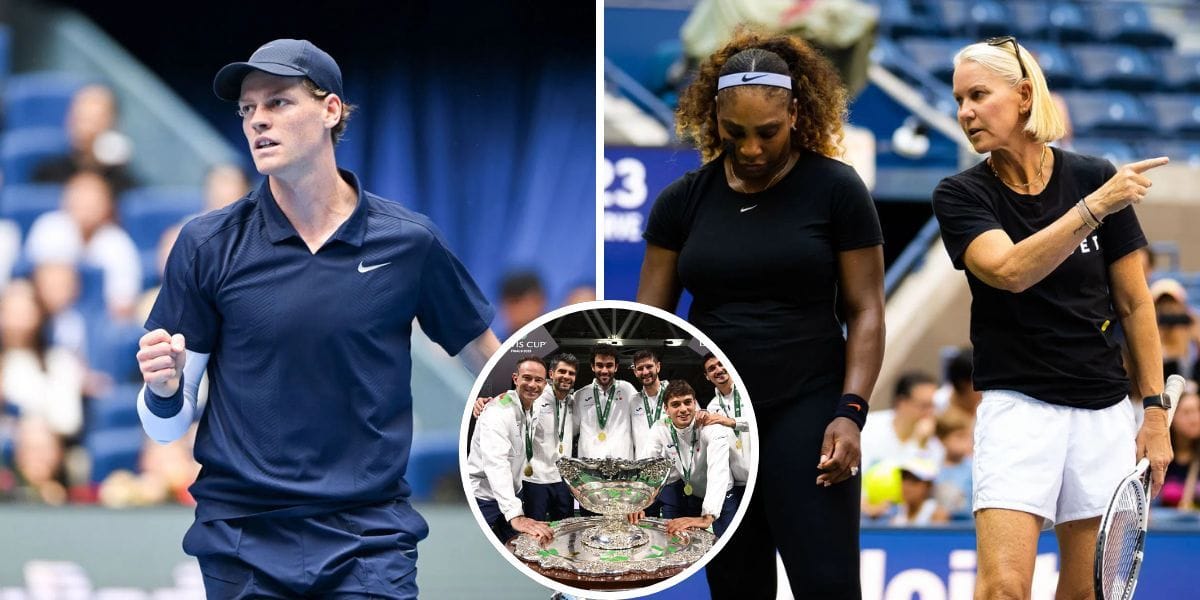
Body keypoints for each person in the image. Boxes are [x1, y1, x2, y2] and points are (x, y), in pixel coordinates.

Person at [134, 39, 498, 599]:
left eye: (277, 102)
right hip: (241, 538)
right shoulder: (205, 244)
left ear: (331, 111)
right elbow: (167, 423)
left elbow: (495, 368)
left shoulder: (409, 242)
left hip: (369, 539)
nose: (257, 121)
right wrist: (161, 390)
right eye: (246, 110)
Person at [636, 28, 885, 598]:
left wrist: (851, 412)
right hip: (714, 419)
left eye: (768, 133)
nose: (751, 149)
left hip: (811, 407)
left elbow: (867, 310)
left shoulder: (837, 190)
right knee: (737, 587)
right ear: (713, 118)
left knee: (827, 585)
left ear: (796, 113)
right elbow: (651, 328)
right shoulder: (682, 201)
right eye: (735, 133)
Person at [931, 37, 1172, 599]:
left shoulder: (1092, 175)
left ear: (1021, 96)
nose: (965, 111)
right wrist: (1094, 208)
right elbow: (1011, 270)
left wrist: (1155, 411)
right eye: (959, 99)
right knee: (1003, 590)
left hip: (1104, 410)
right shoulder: (961, 194)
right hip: (1019, 408)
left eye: (978, 95)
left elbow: (1136, 304)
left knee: (1086, 592)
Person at [467, 356, 556, 543]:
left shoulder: (536, 403)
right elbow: (496, 463)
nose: (532, 385)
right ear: (516, 379)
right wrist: (515, 515)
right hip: (484, 498)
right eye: (527, 378)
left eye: (538, 380)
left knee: (516, 547)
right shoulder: (496, 412)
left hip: (514, 493)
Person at [632, 380, 736, 537]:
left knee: (727, 544)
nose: (683, 409)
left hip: (723, 495)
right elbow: (648, 466)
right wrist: (639, 502)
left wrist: (707, 516)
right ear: (666, 409)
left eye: (688, 402)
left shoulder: (711, 427)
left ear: (695, 403)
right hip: (693, 494)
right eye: (675, 404)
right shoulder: (660, 427)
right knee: (689, 543)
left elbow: (718, 472)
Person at [520, 353, 578, 522]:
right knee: (534, 532)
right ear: (551, 374)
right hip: (535, 479)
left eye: (571, 373)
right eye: (562, 371)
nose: (566, 376)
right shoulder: (534, 397)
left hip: (563, 480)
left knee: (564, 531)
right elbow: (510, 398)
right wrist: (483, 401)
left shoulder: (572, 402)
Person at [697, 352, 752, 524]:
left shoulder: (747, 393)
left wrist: (730, 421)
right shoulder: (712, 406)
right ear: (707, 376)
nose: (718, 370)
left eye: (721, 364)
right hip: (737, 484)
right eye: (712, 368)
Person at [859, 371, 944, 472]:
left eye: (933, 406)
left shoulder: (935, 447)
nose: (929, 413)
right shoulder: (868, 427)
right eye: (924, 406)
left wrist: (920, 445)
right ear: (901, 402)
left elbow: (920, 483)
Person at [573, 344, 640, 461]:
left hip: (622, 463)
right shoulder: (580, 395)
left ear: (616, 367)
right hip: (589, 464)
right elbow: (571, 429)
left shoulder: (627, 389)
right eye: (599, 365)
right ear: (592, 367)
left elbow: (641, 420)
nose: (604, 371)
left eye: (609, 365)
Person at [1162, 382, 1199, 510]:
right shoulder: (1158, 456)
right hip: (1162, 528)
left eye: (1198, 411)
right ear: (1172, 416)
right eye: (1187, 412)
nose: (1195, 419)